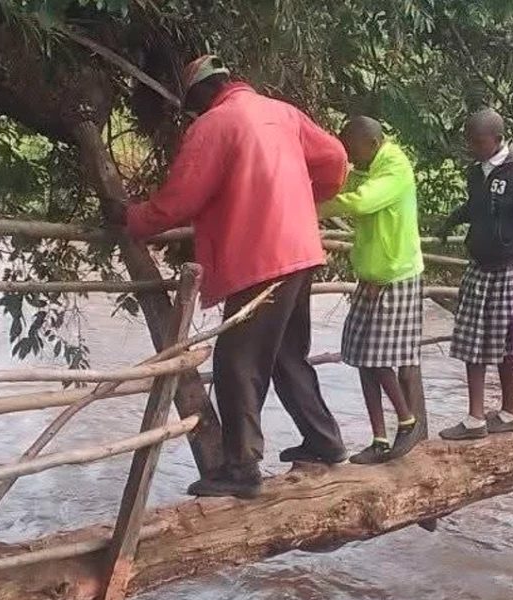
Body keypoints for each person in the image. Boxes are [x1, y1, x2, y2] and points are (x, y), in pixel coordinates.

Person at [121, 55, 349, 498]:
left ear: (203, 94)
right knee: (286, 354)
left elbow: (177, 202)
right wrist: (306, 197)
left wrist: (131, 218)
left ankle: (242, 466)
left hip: (258, 255)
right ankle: (324, 439)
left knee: (236, 361)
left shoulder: (214, 125)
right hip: (300, 249)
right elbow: (336, 159)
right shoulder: (282, 112)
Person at [439, 108, 513, 440]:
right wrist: (453, 220)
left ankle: (509, 412)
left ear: (497, 139)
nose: (474, 148)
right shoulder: (476, 173)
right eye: (470, 143)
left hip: (512, 266)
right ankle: (475, 418)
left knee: (506, 342)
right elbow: (476, 206)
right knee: (469, 340)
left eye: (478, 142)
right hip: (481, 265)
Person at [318, 116, 426, 464]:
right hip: (371, 274)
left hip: (395, 275)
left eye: (354, 151)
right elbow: (345, 184)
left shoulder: (394, 167)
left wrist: (315, 207)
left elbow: (362, 201)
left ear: (374, 144)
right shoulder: (366, 166)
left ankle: (408, 421)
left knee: (378, 358)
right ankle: (379, 438)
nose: (351, 158)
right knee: (362, 357)